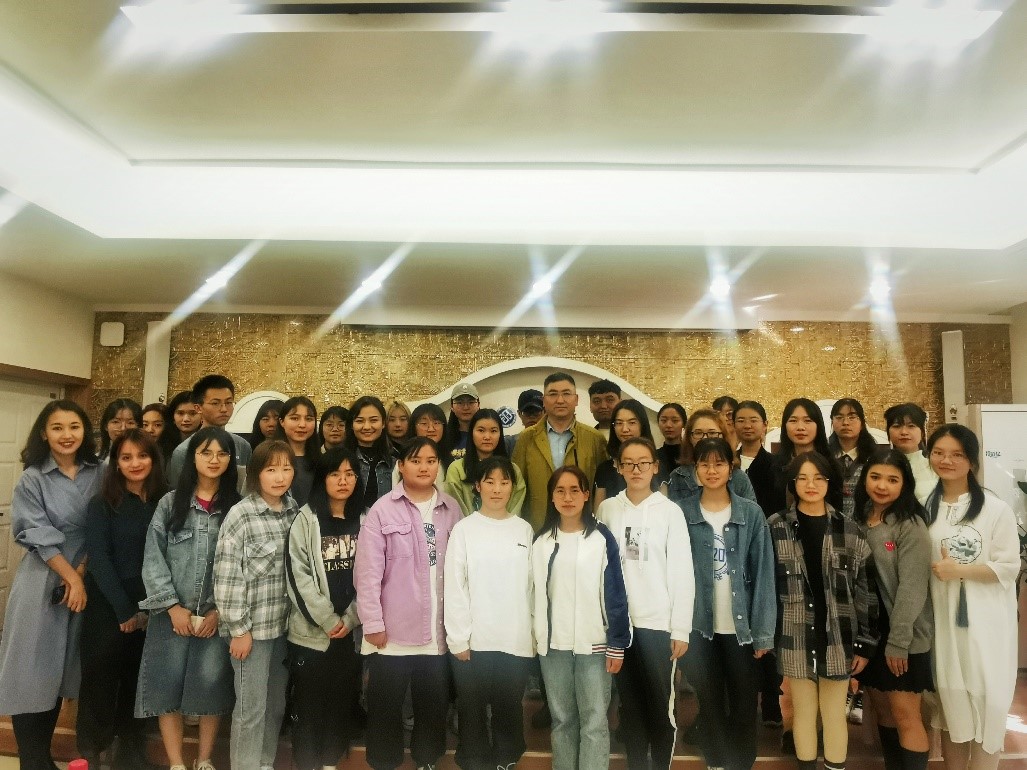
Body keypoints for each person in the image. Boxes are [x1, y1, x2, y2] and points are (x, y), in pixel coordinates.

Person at [0, 401, 102, 770]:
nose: (66, 435)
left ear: (85, 431)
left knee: (60, 671)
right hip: (43, 578)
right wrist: (71, 577)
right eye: (57, 427)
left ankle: (42, 759)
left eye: (74, 426)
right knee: (32, 668)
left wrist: (82, 572)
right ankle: (33, 760)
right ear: (44, 433)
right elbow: (35, 531)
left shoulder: (100, 472)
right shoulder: (33, 478)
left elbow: (102, 525)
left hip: (87, 575)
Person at [354, 437, 462, 770]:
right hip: (392, 632)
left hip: (438, 631)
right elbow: (367, 573)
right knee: (385, 706)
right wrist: (373, 623)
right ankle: (384, 762)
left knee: (432, 705)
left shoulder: (452, 509)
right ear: (401, 466)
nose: (424, 467)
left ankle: (427, 760)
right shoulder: (382, 510)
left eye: (431, 461)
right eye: (416, 461)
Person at [137, 427, 240, 770]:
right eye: (205, 452)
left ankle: (204, 759)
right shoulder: (170, 503)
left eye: (222, 454)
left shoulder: (238, 508)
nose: (214, 460)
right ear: (192, 457)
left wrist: (220, 612)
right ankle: (177, 763)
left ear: (231, 460)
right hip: (170, 615)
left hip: (216, 616)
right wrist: (171, 606)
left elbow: (243, 566)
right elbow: (153, 557)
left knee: (211, 690)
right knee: (165, 688)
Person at [768, 451, 878, 770]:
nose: (811, 484)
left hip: (839, 636)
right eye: (802, 478)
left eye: (818, 477)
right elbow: (764, 586)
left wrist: (865, 643)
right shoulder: (775, 526)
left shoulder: (850, 530)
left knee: (833, 714)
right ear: (793, 483)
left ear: (830, 482)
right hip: (795, 634)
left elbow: (866, 592)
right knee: (803, 712)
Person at [678, 437, 776, 770]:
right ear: (695, 469)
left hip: (741, 628)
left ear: (731, 469)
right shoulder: (682, 512)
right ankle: (716, 763)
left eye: (719, 463)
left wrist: (763, 632)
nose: (712, 470)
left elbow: (763, 573)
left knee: (745, 703)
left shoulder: (750, 512)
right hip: (698, 626)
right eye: (704, 464)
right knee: (709, 703)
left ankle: (741, 763)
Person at [925, 424, 1018, 770]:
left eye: (957, 454)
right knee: (952, 705)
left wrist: (959, 571)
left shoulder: (995, 509)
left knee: (988, 702)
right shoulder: (925, 508)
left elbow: (1008, 567)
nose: (946, 460)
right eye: (939, 453)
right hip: (943, 623)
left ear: (972, 461)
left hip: (987, 623)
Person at [596, 437, 693, 770]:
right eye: (629, 463)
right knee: (630, 706)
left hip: (657, 625)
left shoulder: (670, 512)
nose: (636, 469)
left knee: (660, 706)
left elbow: (682, 571)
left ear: (655, 467)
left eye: (643, 463)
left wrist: (680, 628)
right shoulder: (608, 509)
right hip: (619, 626)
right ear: (619, 468)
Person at [77, 428, 166, 770]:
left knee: (137, 683)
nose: (135, 463)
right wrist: (125, 611)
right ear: (115, 463)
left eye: (142, 456)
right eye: (126, 457)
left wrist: (150, 609)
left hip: (152, 606)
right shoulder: (102, 504)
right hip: (108, 606)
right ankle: (92, 753)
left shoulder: (165, 502)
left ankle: (130, 753)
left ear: (153, 460)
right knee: (100, 681)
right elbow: (99, 559)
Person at [532, 465, 630, 770]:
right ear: (551, 497)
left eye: (575, 490)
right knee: (562, 720)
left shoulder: (601, 538)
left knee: (594, 722)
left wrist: (617, 643)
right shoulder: (541, 541)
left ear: (587, 495)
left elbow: (615, 592)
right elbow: (532, 595)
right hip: (554, 647)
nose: (568, 497)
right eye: (560, 491)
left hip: (594, 645)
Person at [214, 440, 300, 770]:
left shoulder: (294, 510)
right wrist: (239, 630)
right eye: (271, 469)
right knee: (251, 709)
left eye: (286, 468)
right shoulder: (241, 515)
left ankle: (264, 764)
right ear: (255, 474)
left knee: (276, 705)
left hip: (284, 628)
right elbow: (226, 576)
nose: (280, 477)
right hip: (252, 632)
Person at [445, 457, 535, 770]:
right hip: (474, 639)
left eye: (504, 482)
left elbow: (532, 588)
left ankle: (505, 761)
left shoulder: (524, 530)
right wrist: (459, 638)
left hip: (515, 639)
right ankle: (474, 762)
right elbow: (455, 586)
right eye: (490, 481)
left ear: (513, 487)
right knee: (471, 709)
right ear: (477, 486)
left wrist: (532, 634)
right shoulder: (464, 529)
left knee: (508, 706)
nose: (497, 489)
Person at [852, 450, 934, 770]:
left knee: (905, 715)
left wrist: (899, 641)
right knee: (884, 711)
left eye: (892, 479)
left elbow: (913, 587)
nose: (882, 486)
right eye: (875, 477)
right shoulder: (858, 519)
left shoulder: (910, 524)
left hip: (904, 633)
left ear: (905, 484)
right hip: (870, 632)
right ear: (864, 479)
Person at [285, 447, 364, 770]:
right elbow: (298, 575)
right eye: (335, 474)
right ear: (322, 479)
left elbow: (375, 575)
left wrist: (351, 618)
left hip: (351, 634)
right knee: (309, 707)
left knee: (340, 705)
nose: (343, 481)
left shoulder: (366, 518)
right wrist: (328, 620)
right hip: (312, 635)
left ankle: (330, 762)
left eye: (349, 474)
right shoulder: (306, 519)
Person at [733, 399, 784, 727]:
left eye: (754, 420)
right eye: (741, 420)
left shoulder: (778, 464)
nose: (747, 425)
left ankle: (771, 698)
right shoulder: (726, 462)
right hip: (733, 552)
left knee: (767, 626)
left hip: (769, 550)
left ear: (765, 425)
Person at [512, 372, 608, 530]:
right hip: (538, 527)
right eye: (553, 394)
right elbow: (517, 488)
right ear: (544, 401)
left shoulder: (594, 439)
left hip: (582, 527)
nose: (560, 400)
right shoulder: (526, 438)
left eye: (566, 394)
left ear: (576, 399)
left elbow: (602, 487)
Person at [167, 375, 252, 488]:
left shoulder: (242, 446)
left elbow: (247, 487)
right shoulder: (184, 451)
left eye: (228, 402)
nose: (224, 409)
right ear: (198, 408)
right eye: (215, 403)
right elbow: (179, 492)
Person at [768, 398, 845, 516]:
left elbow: (837, 509)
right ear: (784, 426)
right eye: (793, 420)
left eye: (807, 420)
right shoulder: (773, 466)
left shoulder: (832, 466)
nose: (800, 427)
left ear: (818, 425)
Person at [666, 408, 756, 507]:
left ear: (723, 436)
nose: (705, 438)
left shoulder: (739, 478)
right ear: (689, 438)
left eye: (712, 433)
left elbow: (751, 513)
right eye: (698, 433)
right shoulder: (677, 477)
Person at [444, 408, 526, 516]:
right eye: (481, 430)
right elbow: (455, 511)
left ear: (500, 434)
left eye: (493, 431)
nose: (487, 437)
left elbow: (515, 508)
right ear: (471, 433)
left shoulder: (513, 470)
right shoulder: (457, 469)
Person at [592, 399, 655, 511]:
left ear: (642, 424)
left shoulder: (654, 465)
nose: (625, 429)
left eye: (632, 422)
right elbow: (599, 514)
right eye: (619, 423)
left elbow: (663, 507)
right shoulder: (604, 469)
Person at [828, 398, 879, 518]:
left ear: (862, 423)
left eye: (852, 417)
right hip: (830, 522)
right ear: (832, 423)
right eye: (839, 417)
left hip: (866, 520)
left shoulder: (875, 458)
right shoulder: (824, 456)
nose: (845, 422)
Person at [345, 395, 396, 513]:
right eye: (359, 421)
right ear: (351, 425)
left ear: (383, 423)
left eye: (373, 420)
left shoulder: (396, 462)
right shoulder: (340, 460)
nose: (367, 427)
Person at [884, 403, 937, 503]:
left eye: (911, 426)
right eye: (897, 426)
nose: (904, 432)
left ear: (922, 432)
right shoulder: (881, 465)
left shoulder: (934, 466)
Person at [277, 396, 319, 506]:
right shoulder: (268, 457)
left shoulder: (322, 460)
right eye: (295, 418)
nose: (302, 425)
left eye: (308, 419)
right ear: (282, 421)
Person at [442, 383, 481, 467]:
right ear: (452, 406)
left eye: (471, 402)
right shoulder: (443, 436)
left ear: (478, 405)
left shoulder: (486, 435)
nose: (466, 407)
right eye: (460, 402)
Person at [98, 398, 143, 463]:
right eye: (116, 422)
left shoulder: (147, 459)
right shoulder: (97, 463)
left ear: (139, 427)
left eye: (130, 423)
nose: (123, 428)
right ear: (105, 426)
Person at [504, 389, 545, 455]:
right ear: (519, 414)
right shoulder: (509, 444)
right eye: (527, 412)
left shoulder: (553, 441)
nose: (532, 416)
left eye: (536, 412)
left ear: (545, 412)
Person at [655, 402, 687, 486]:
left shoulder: (691, 455)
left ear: (684, 423)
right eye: (663, 420)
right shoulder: (653, 456)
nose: (668, 425)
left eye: (675, 421)